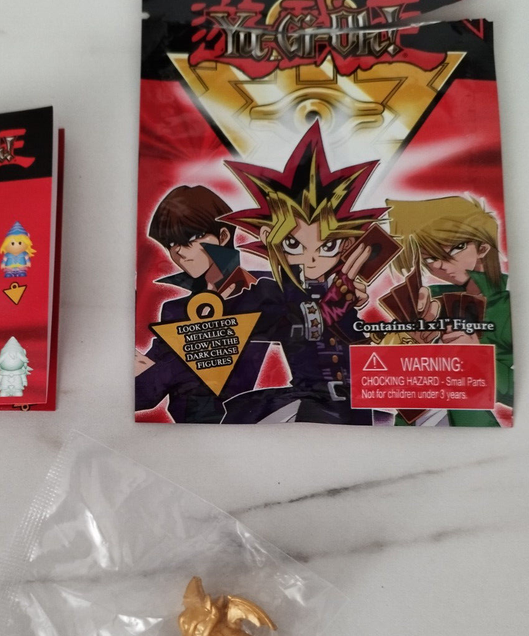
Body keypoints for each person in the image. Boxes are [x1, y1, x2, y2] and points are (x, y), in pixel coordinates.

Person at [217, 121, 383, 424]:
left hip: (357, 404)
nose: (312, 256)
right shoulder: (272, 291)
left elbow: (359, 350)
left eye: (328, 245)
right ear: (270, 238)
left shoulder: (342, 287)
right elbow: (260, 325)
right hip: (309, 404)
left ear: (346, 243)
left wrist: (353, 312)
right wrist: (329, 308)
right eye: (293, 243)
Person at [135, 184, 271, 423]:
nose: (179, 252)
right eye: (171, 244)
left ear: (223, 236)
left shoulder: (265, 291)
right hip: (188, 433)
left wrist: (165, 366)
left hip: (256, 424)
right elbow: (143, 394)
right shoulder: (175, 311)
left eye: (191, 238)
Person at [387, 196, 513, 426]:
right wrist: (413, 341)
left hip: (469, 426)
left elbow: (516, 391)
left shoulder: (508, 305)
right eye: (430, 258)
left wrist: (477, 358)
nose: (438, 265)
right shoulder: (432, 297)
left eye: (454, 249)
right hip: (412, 424)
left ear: (483, 247)